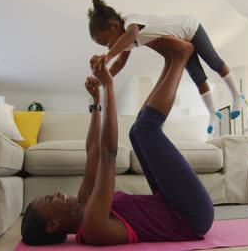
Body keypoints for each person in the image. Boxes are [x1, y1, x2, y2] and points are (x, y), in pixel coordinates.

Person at [21, 36, 214, 246]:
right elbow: (108, 154)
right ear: (53, 225)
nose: (57, 193)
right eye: (51, 200)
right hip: (191, 216)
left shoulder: (85, 201)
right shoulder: (93, 228)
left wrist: (96, 103)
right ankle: (179, 58)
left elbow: (94, 151)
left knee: (135, 133)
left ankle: (170, 61)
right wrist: (108, 86)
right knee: (145, 130)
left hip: (171, 202)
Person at [87, 0, 245, 134]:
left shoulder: (131, 22)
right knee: (198, 77)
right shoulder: (127, 43)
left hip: (189, 27)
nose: (108, 47)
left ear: (114, 25)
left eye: (105, 42)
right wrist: (100, 80)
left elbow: (132, 34)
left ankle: (237, 95)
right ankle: (212, 113)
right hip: (183, 42)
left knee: (214, 62)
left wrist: (107, 57)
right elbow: (120, 63)